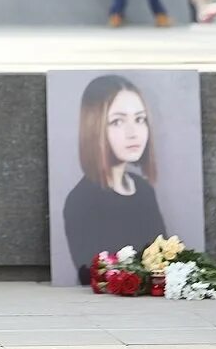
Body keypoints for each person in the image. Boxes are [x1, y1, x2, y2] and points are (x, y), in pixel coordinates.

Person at [62, 75, 167, 284]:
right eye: (117, 121)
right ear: (95, 128)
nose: (133, 133)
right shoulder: (81, 201)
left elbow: (162, 258)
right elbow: (92, 275)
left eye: (139, 119)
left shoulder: (144, 190)